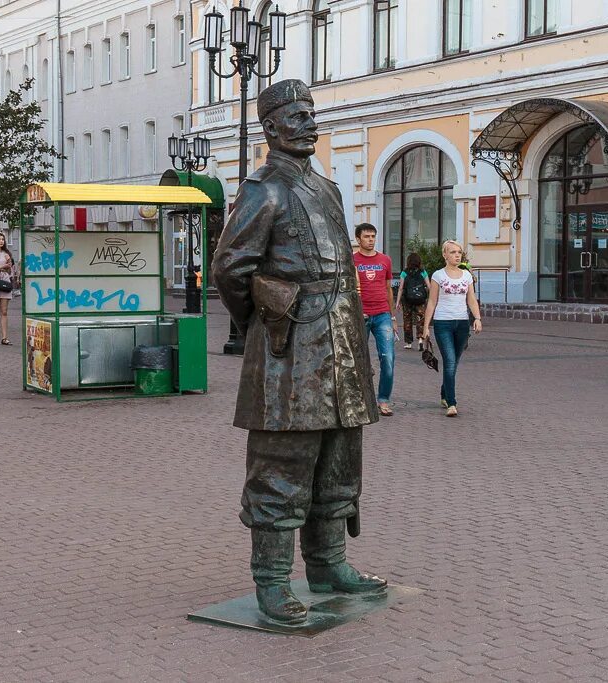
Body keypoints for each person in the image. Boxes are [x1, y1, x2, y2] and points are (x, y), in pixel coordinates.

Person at [212, 79, 386, 626]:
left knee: (338, 460)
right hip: (290, 349)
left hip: (341, 345)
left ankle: (329, 564)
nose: (310, 121)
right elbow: (230, 268)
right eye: (297, 114)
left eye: (312, 112)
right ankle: (271, 581)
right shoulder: (263, 189)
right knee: (283, 467)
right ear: (272, 127)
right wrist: (264, 327)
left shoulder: (328, 189)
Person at [421, 240, 483, 417]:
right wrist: (426, 327)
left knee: (454, 362)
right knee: (449, 361)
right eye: (453, 252)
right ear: (445, 255)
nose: (457, 255)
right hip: (443, 323)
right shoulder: (438, 276)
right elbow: (432, 302)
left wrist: (477, 318)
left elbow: (471, 299)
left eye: (459, 252)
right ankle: (452, 403)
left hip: (462, 323)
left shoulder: (466, 276)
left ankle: (444, 393)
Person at [353, 223, 397, 416]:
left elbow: (388, 289)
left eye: (373, 236)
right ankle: (358, 398)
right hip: (359, 315)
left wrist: (393, 316)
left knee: (388, 358)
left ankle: (383, 400)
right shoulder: (351, 260)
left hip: (382, 315)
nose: (370, 240)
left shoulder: (385, 260)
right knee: (357, 359)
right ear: (358, 239)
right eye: (367, 237)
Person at [393, 252, 430, 350]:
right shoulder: (423, 272)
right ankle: (421, 339)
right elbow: (429, 286)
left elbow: (400, 288)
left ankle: (408, 342)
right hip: (420, 300)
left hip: (407, 300)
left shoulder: (404, 272)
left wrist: (397, 302)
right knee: (420, 319)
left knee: (407, 320)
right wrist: (430, 299)